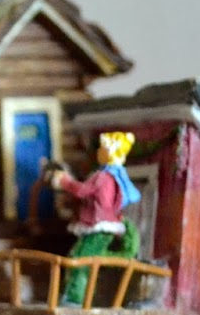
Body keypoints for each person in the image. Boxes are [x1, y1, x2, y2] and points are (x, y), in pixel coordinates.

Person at [48, 130, 142, 305]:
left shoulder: (102, 177)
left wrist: (64, 181)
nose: (98, 151)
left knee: (81, 260)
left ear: (109, 153)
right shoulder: (112, 176)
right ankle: (72, 295)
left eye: (102, 149)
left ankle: (75, 299)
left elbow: (82, 191)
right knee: (78, 255)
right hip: (99, 225)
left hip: (99, 225)